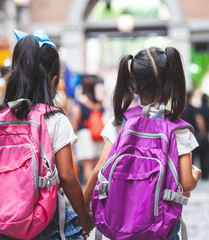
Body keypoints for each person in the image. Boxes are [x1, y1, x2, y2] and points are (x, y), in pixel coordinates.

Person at [0, 30, 94, 239]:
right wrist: (83, 216)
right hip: (43, 221)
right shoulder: (55, 119)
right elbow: (67, 176)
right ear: (54, 81)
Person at [83, 47, 202, 239]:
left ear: (135, 86)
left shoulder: (121, 122)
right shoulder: (178, 129)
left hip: (118, 225)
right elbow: (186, 183)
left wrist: (84, 213)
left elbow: (99, 170)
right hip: (162, 229)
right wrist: (196, 174)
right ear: (172, 83)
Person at [71, 75, 104, 184]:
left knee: (87, 167)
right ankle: (97, 192)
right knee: (96, 167)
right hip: (97, 135)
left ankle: (89, 196)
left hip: (84, 135)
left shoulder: (80, 102)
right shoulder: (98, 103)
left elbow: (76, 118)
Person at [181, 91, 206, 170]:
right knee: (195, 155)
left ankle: (187, 173)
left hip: (182, 136)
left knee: (187, 157)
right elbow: (200, 120)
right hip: (193, 135)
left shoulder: (180, 110)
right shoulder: (193, 109)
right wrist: (202, 133)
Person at [197, 93, 209, 180]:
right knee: (208, 155)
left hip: (202, 135)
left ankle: (203, 174)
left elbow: (200, 121)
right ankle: (207, 174)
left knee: (202, 155)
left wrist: (202, 133)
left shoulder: (200, 110)